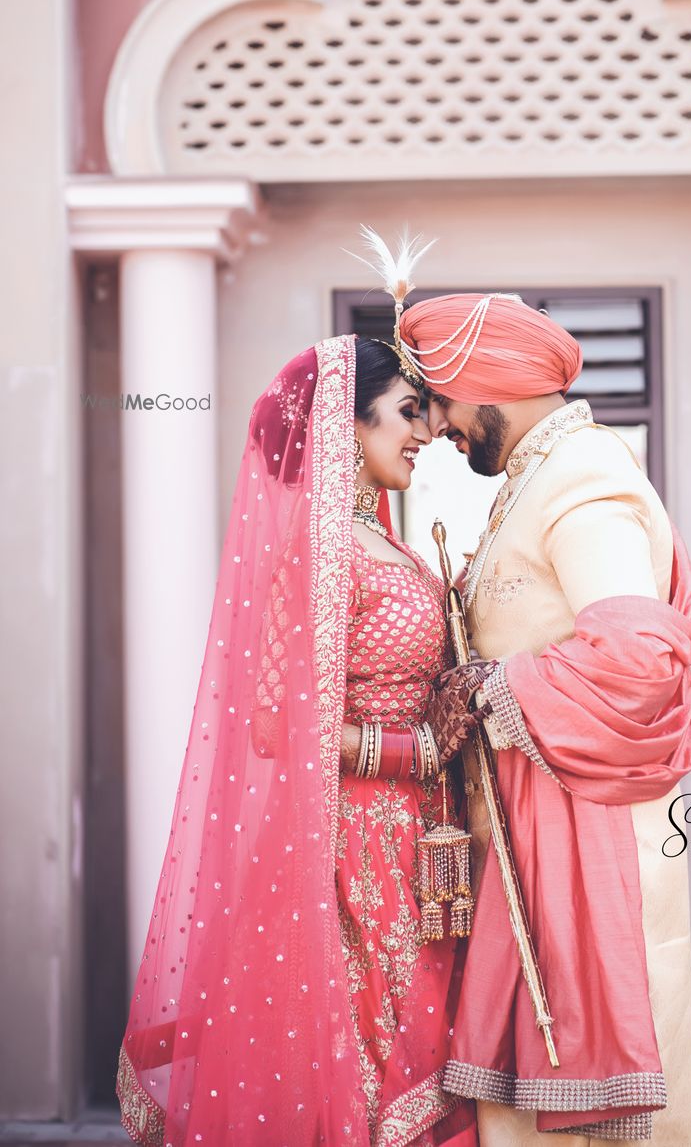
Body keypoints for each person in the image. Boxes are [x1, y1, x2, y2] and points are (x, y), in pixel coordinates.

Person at [117, 334, 481, 1147]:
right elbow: (277, 726)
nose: (424, 434)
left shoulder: (391, 543)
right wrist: (420, 751)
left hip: (422, 848)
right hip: (348, 857)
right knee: (373, 1062)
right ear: (344, 426)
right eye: (409, 412)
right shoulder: (310, 558)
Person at [397, 294, 691, 1147]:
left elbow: (637, 657)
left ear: (486, 382)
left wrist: (486, 687)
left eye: (442, 400)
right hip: (531, 837)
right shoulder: (538, 478)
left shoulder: (583, 481)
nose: (439, 427)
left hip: (584, 837)